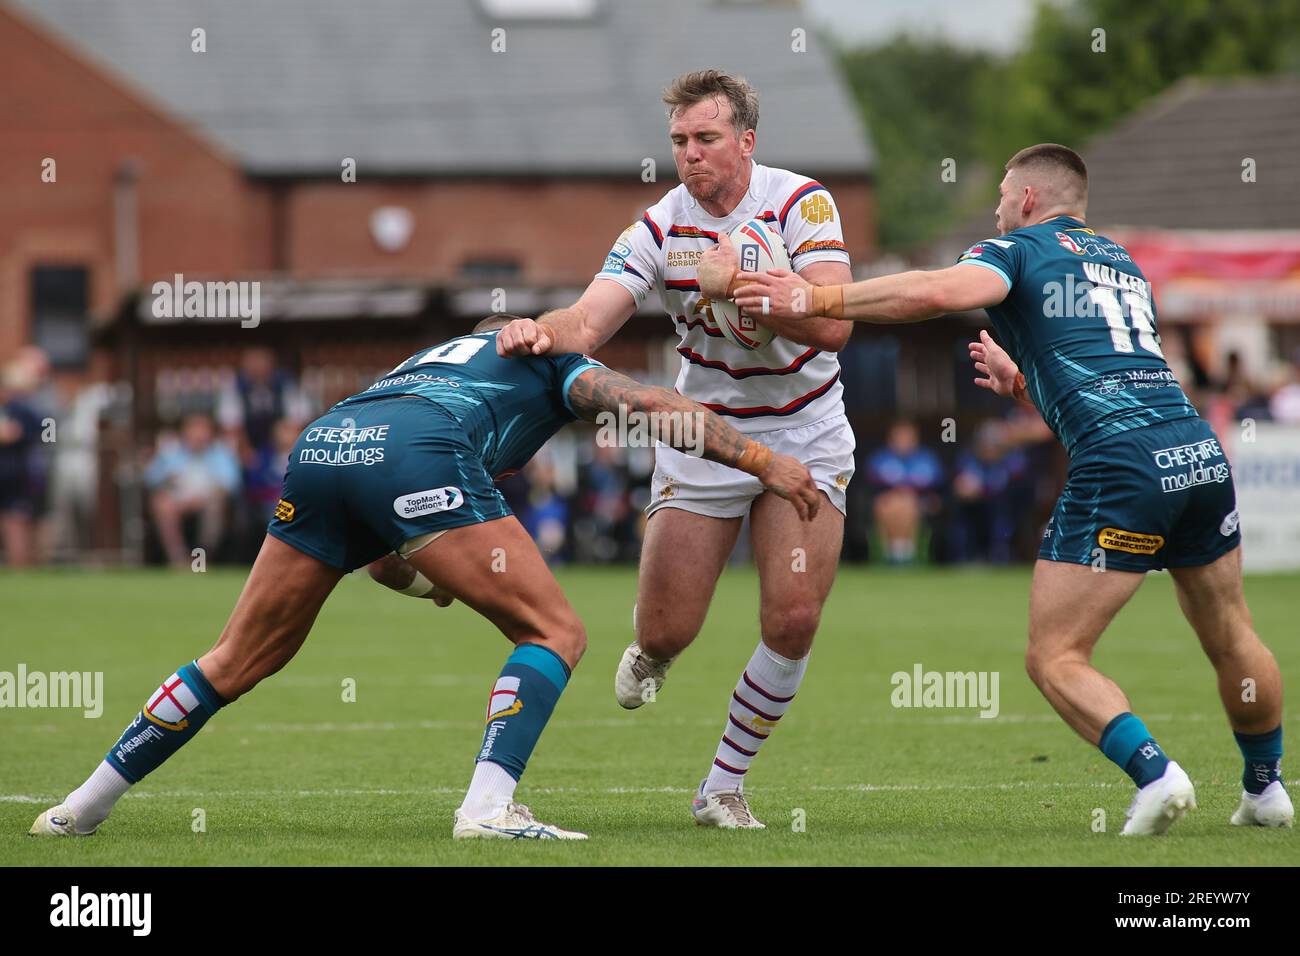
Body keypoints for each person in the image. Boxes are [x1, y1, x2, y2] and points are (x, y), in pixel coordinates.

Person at [29, 316, 818, 842]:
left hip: (329, 439)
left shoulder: (441, 356)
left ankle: (79, 808)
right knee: (556, 632)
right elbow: (651, 405)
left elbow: (380, 559)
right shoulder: (554, 366)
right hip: (417, 449)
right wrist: (764, 460)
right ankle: (487, 808)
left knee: (235, 657)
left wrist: (431, 576)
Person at [712, 143, 1291, 834]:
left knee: (1055, 655)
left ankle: (1156, 775)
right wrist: (1021, 386)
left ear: (1024, 201)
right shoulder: (1123, 265)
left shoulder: (1016, 252)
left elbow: (930, 291)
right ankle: (1265, 790)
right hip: (1197, 452)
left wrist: (812, 295)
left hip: (1124, 467)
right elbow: (1107, 376)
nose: (993, 214)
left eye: (999, 202)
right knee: (1232, 633)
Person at [496, 69, 854, 828]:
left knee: (792, 619)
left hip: (807, 429)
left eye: (707, 138)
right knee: (665, 630)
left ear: (746, 141)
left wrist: (743, 289)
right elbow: (590, 321)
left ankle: (721, 786)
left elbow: (834, 323)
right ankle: (654, 652)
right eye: (680, 142)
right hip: (703, 433)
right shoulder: (658, 228)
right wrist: (539, 329)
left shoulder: (802, 202)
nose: (690, 155)